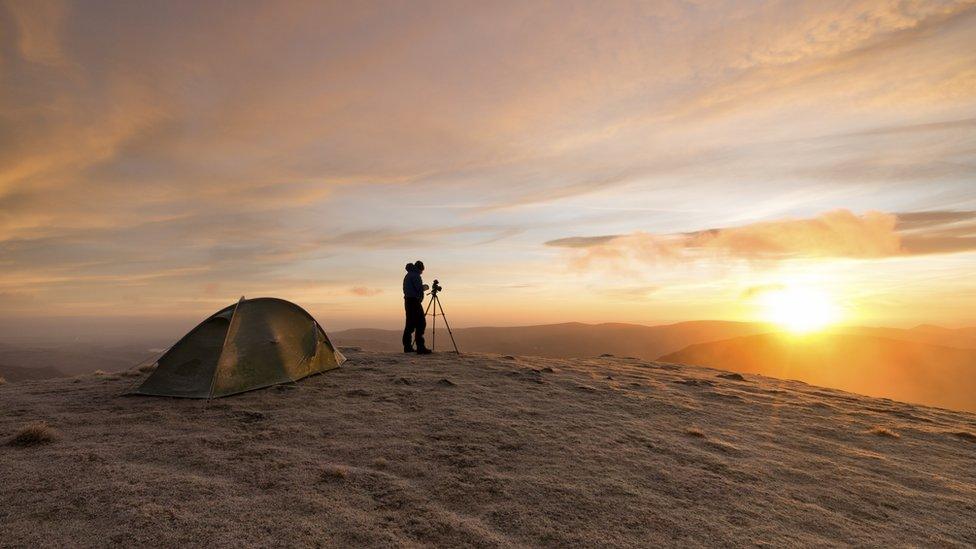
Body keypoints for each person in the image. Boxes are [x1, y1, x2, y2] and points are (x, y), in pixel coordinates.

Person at [402, 260, 432, 354]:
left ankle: (407, 347)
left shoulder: (408, 275)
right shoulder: (415, 275)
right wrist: (426, 287)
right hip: (414, 301)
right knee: (421, 323)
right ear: (420, 268)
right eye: (422, 270)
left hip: (408, 301)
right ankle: (420, 347)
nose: (422, 272)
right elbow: (418, 288)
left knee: (410, 324)